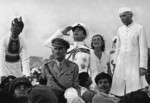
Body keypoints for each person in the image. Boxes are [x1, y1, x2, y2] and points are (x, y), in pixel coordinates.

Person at [110, 7, 148, 96]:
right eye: (120, 17)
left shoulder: (139, 28)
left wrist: (143, 66)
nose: (122, 18)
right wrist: (115, 63)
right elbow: (118, 48)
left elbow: (143, 47)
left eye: (124, 15)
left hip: (134, 62)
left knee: (134, 86)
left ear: (131, 15)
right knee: (119, 86)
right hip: (121, 62)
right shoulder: (120, 30)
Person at [41, 38, 79, 103]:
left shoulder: (74, 66)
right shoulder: (46, 66)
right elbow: (42, 86)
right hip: (51, 100)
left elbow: (75, 86)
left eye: (60, 49)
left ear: (66, 50)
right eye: (55, 49)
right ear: (53, 51)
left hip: (66, 100)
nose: (57, 51)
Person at [0, 17, 30, 81]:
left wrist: (27, 75)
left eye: (17, 26)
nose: (14, 27)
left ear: (21, 30)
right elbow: (1, 58)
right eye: (13, 25)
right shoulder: (4, 40)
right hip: (5, 67)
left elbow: (25, 60)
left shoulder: (22, 42)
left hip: (17, 69)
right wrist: (2, 75)